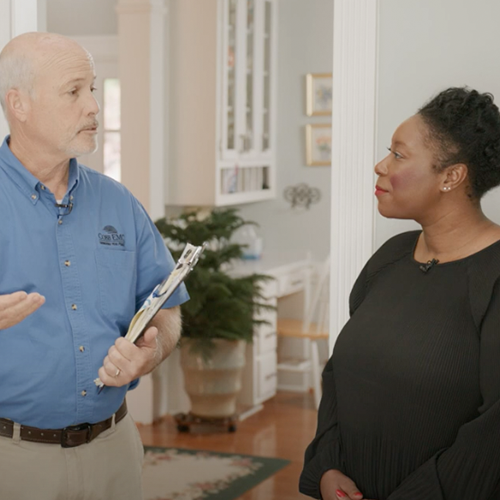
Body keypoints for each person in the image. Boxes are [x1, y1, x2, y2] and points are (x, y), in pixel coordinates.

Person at [0, 32, 189, 500]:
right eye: (73, 91)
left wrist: (151, 351)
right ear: (17, 104)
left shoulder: (119, 203)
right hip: (12, 460)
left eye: (93, 89)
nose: (93, 107)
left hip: (115, 450)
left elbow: (166, 308)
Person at [299, 87, 500, 500]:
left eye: (399, 155)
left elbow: (493, 435)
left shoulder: (493, 279)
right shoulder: (390, 257)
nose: (380, 165)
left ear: (451, 176)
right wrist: (327, 466)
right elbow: (339, 375)